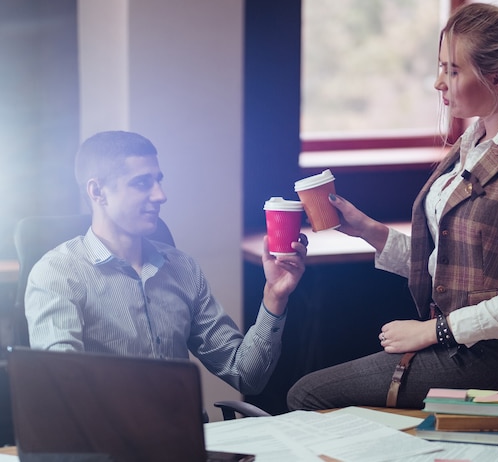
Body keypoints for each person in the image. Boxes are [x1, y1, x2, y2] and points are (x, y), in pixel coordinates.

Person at [287, 3, 498, 410]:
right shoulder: (473, 144)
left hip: (496, 358)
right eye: (441, 67)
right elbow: (449, 263)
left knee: (306, 394)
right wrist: (368, 229)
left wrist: (432, 331)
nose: (439, 82)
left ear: (497, 78)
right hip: (459, 343)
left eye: (453, 71)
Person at [25, 130, 308, 396]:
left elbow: (247, 376)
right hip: (109, 441)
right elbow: (61, 389)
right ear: (97, 192)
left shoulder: (181, 268)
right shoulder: (57, 274)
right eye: (142, 183)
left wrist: (274, 296)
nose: (161, 195)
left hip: (185, 440)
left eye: (158, 180)